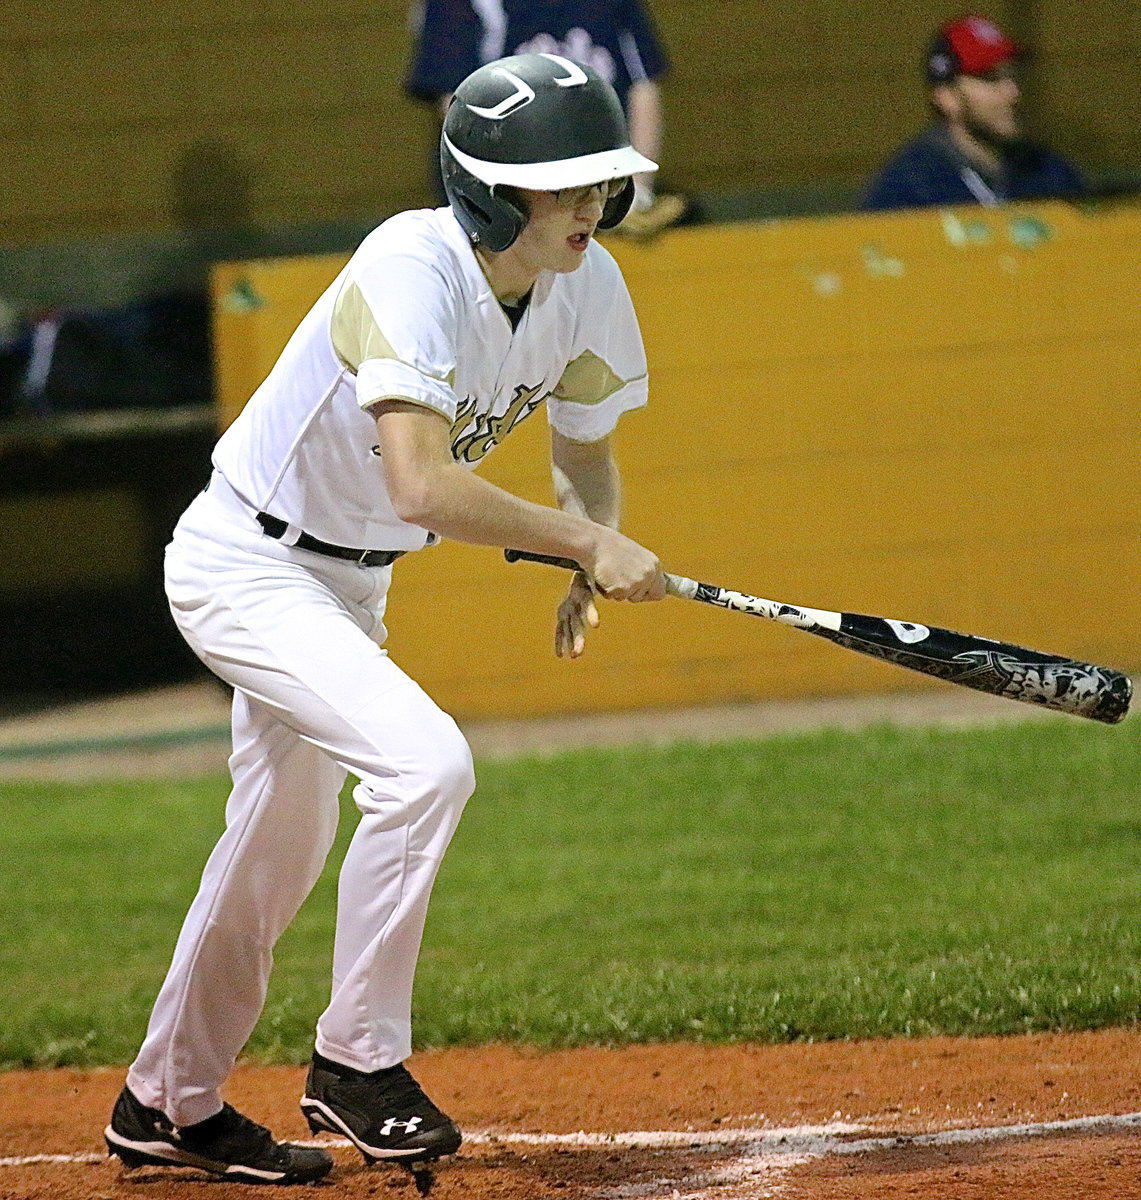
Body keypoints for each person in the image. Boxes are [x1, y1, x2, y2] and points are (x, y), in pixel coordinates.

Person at [103, 52, 665, 1186]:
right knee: (427, 767)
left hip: (349, 587)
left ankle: (164, 1103)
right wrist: (586, 541)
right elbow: (419, 486)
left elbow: (584, 455)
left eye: (601, 180)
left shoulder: (588, 281)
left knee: (275, 854)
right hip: (245, 565)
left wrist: (586, 547)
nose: (592, 206)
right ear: (490, 191)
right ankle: (356, 1063)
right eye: (564, 184)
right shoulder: (411, 264)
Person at [406, 0, 685, 238]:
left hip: (603, 195)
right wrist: (510, 201)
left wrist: (635, 194)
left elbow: (642, 84)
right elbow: (457, 108)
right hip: (505, 210)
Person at [862, 14, 1084, 211]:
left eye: (1012, 75)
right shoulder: (910, 187)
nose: (1012, 92)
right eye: (990, 78)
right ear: (947, 98)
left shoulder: (1049, 171)